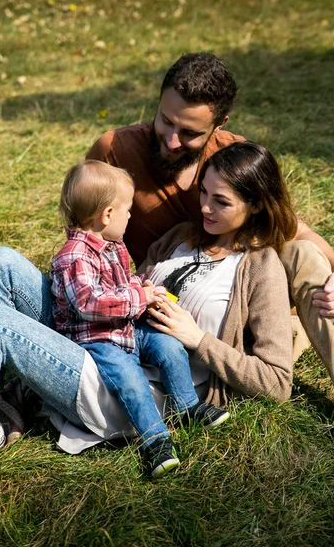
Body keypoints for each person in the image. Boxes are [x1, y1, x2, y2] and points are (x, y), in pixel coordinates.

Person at [0, 52, 334, 464]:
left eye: (188, 132)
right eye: (165, 121)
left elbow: (293, 229)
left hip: (152, 344)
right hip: (117, 305)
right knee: (2, 261)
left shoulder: (232, 165)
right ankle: (21, 386)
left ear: (218, 127)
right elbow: (83, 225)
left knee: (304, 255)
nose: (171, 140)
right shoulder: (122, 158)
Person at [0, 142, 293, 460]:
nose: (205, 207)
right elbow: (117, 287)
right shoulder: (182, 236)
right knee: (3, 260)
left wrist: (198, 339)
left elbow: (277, 382)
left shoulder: (262, 267)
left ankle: (19, 398)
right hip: (101, 335)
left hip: (136, 384)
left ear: (257, 205)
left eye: (220, 201)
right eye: (204, 193)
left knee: (0, 321)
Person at [50, 160, 229, 477]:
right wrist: (139, 299)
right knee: (131, 380)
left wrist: (142, 287)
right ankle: (155, 440)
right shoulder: (74, 255)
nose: (130, 216)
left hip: (127, 327)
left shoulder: (113, 244)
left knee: (169, 346)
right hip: (98, 340)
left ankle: (186, 405)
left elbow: (123, 281)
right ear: (107, 215)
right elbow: (90, 304)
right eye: (128, 210)